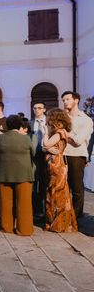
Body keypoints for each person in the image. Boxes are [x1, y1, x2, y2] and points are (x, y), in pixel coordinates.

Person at [0, 115, 35, 236]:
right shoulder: (25, 138)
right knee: (24, 203)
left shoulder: (1, 137)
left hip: (5, 173)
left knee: (6, 202)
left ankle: (7, 227)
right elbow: (33, 152)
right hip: (23, 173)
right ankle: (24, 229)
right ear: (20, 125)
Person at [44, 108, 78, 232]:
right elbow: (46, 148)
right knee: (59, 192)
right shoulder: (62, 132)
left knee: (56, 192)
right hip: (58, 163)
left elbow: (46, 145)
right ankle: (59, 221)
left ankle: (57, 223)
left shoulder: (58, 133)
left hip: (56, 164)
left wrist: (45, 133)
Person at [62, 91, 94, 219]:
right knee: (63, 185)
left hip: (76, 155)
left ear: (76, 101)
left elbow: (79, 140)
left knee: (76, 186)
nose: (65, 102)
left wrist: (66, 134)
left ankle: (76, 215)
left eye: (67, 99)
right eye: (63, 100)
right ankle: (64, 212)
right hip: (62, 154)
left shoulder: (85, 119)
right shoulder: (63, 118)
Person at [30, 102, 48, 221]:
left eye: (39, 108)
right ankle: (37, 209)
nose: (37, 110)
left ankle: (46, 208)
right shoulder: (30, 123)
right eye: (35, 108)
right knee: (34, 181)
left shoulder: (49, 122)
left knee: (45, 181)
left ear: (44, 109)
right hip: (33, 156)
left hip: (46, 155)